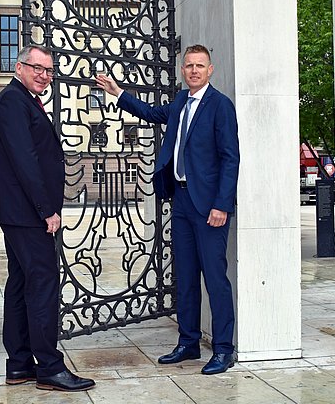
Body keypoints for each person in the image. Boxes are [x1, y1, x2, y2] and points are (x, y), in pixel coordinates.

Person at [95, 44, 239, 375]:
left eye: (199, 66)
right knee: (186, 277)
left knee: (215, 279)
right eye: (188, 65)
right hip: (182, 201)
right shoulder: (179, 104)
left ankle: (223, 349)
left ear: (210, 70)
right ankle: (188, 342)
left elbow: (231, 158)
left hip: (209, 207)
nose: (193, 71)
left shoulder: (220, 106)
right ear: (183, 70)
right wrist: (119, 93)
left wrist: (222, 205)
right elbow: (150, 112)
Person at [0, 44, 95, 391]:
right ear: (20, 66)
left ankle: (19, 364)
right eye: (37, 68)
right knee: (43, 283)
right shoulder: (13, 101)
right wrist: (48, 210)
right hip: (26, 211)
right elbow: (24, 160)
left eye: (49, 70)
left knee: (20, 283)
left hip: (17, 208)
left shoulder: (22, 99)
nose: (43, 75)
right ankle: (49, 367)